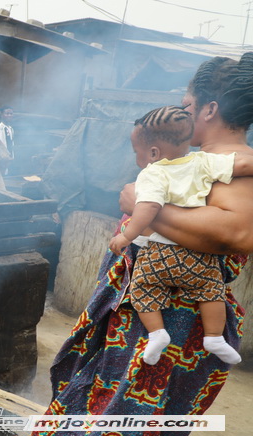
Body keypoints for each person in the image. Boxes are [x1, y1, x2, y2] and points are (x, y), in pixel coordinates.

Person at [28, 52, 253, 436]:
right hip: (162, 305)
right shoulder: (201, 161)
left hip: (174, 311)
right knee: (160, 407)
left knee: (134, 410)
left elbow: (237, 233)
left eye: (187, 103)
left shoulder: (233, 167)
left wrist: (139, 206)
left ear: (208, 110)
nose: (182, 112)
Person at [108, 105, 252, 366]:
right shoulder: (203, 161)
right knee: (211, 291)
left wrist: (126, 236)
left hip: (160, 256)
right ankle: (214, 338)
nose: (136, 158)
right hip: (200, 260)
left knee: (143, 288)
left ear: (153, 152)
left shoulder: (153, 173)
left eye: (136, 152)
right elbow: (242, 164)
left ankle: (157, 334)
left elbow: (148, 208)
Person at [0, 106, 14, 176]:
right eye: (7, 113)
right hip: (3, 160)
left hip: (8, 158)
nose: (9, 115)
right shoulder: (1, 129)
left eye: (11, 114)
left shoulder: (10, 128)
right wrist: (4, 158)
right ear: (2, 115)